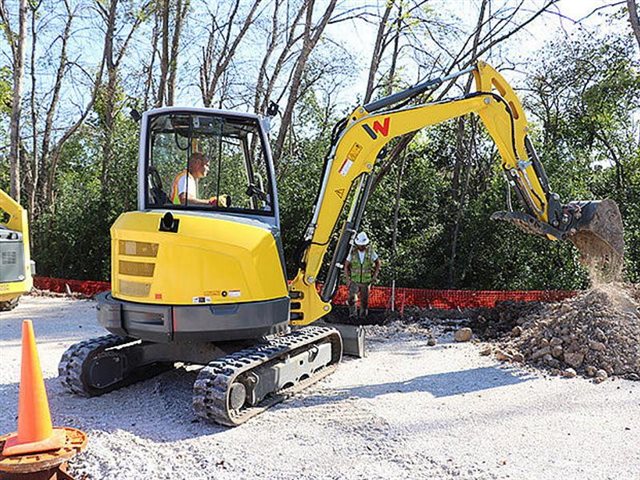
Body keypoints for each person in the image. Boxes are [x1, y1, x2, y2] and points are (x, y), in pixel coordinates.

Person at [344, 231, 381, 319]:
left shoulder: (370, 252)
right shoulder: (352, 252)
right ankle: (353, 315)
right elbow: (346, 266)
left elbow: (378, 263)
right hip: (354, 280)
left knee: (364, 302)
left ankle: (363, 317)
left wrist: (375, 275)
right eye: (360, 245)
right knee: (351, 299)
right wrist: (348, 279)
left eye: (363, 245)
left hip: (366, 281)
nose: (361, 246)